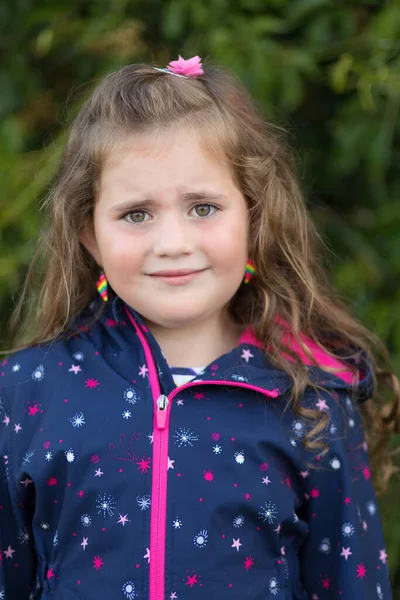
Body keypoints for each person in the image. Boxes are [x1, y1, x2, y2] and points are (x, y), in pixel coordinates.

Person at [0, 54, 398, 600]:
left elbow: (352, 588)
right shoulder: (25, 392)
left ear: (254, 218)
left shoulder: (312, 398)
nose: (174, 244)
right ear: (89, 235)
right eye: (136, 214)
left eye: (203, 208)